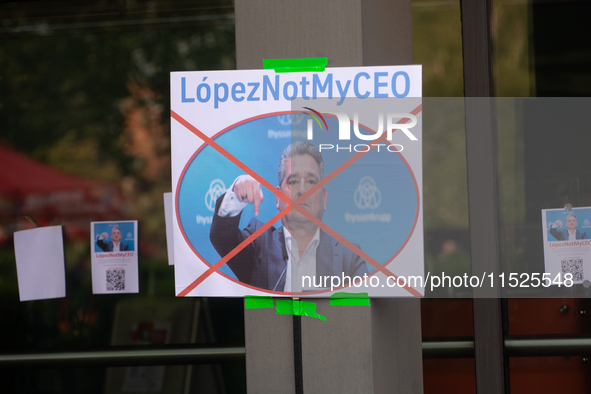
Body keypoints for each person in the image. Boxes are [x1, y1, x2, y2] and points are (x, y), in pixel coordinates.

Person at [210, 141, 368, 292]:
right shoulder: (258, 244)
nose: (302, 190)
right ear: (278, 198)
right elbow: (222, 238)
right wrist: (237, 193)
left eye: (311, 182)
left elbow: (358, 313)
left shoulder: (349, 258)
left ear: (324, 198)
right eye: (293, 182)